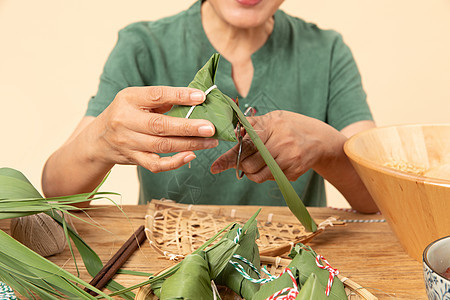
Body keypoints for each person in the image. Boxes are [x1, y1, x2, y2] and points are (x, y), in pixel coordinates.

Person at [42, 0, 378, 213]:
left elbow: (383, 200)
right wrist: (102, 139)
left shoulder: (326, 51)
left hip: (291, 268)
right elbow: (58, 192)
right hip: (168, 262)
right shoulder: (143, 47)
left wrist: (329, 149)